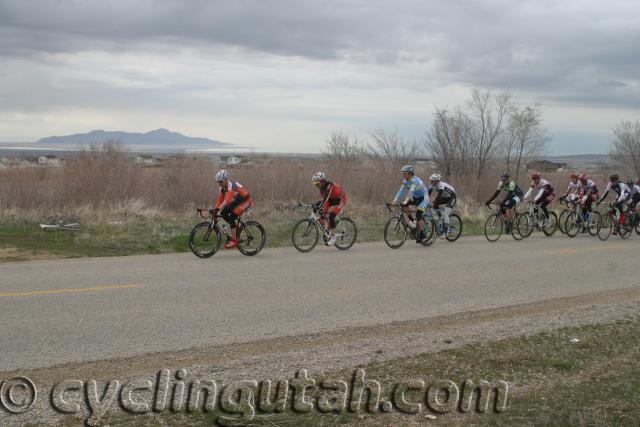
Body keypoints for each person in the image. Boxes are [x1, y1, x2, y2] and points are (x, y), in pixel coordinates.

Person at [211, 169, 252, 249]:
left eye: (220, 182)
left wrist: (217, 209)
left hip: (246, 201)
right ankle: (234, 228)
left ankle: (234, 240)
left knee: (231, 217)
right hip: (239, 200)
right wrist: (215, 209)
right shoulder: (222, 188)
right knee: (223, 213)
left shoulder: (231, 185)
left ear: (225, 179)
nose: (219, 184)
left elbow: (227, 200)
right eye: (218, 182)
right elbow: (220, 201)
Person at [393, 165, 429, 243]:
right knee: (404, 206)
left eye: (405, 173)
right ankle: (413, 221)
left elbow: (410, 193)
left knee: (418, 214)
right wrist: (394, 201)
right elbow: (400, 191)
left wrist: (405, 202)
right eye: (403, 173)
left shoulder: (415, 181)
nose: (403, 175)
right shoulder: (405, 181)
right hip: (416, 197)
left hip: (424, 197)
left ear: (410, 174)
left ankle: (422, 233)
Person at [312, 171, 347, 246]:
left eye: (317, 184)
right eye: (315, 184)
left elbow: (326, 199)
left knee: (331, 216)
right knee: (322, 213)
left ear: (323, 181)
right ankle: (327, 230)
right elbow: (323, 200)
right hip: (333, 199)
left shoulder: (329, 186)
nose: (317, 186)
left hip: (341, 199)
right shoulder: (322, 188)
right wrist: (316, 206)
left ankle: (333, 238)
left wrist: (319, 206)